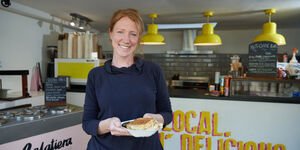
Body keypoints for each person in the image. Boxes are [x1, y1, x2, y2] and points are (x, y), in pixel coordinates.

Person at [82, 8, 173, 150]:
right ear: (110, 33)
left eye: (133, 34)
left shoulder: (153, 70)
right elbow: (88, 123)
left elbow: (167, 113)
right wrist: (107, 125)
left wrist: (157, 119)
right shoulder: (96, 75)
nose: (126, 39)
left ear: (138, 38)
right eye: (120, 32)